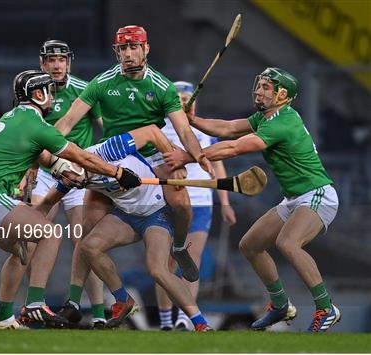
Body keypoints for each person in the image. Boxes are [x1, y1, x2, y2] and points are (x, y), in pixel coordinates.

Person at [0, 70, 141, 329]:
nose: (52, 97)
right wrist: (118, 173)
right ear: (38, 94)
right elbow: (82, 157)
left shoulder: (13, 117)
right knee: (51, 234)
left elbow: (40, 155)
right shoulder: (37, 125)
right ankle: (34, 304)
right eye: (48, 91)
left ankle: (3, 316)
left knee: (25, 248)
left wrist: (60, 173)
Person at [53, 25, 214, 322]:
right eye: (123, 48)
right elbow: (67, 121)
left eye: (133, 47)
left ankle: (179, 246)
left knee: (180, 203)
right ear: (117, 51)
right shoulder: (102, 83)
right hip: (116, 155)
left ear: (146, 49)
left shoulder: (162, 86)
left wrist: (197, 155)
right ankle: (75, 304)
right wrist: (40, 149)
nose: (128, 54)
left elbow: (182, 130)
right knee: (86, 231)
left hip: (152, 154)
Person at [163, 67, 340, 332]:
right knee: (250, 245)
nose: (259, 90)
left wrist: (189, 156)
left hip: (317, 194)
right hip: (293, 198)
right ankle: (280, 305)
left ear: (282, 95)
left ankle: (326, 308)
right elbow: (229, 128)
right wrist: (194, 120)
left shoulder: (282, 122)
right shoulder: (265, 117)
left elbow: (234, 147)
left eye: (267, 87)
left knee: (288, 243)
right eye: (260, 85)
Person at [36, 125, 206, 329]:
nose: (68, 181)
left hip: (157, 212)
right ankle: (123, 300)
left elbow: (152, 131)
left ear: (75, 161)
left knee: (158, 270)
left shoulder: (108, 150)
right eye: (61, 177)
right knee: (89, 246)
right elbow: (46, 203)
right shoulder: (72, 178)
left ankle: (200, 323)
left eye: (67, 174)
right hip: (126, 214)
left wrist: (176, 164)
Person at [0, 40, 107, 330]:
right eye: (51, 60)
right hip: (44, 171)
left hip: (78, 169)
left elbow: (104, 126)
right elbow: (24, 135)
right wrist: (28, 170)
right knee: (33, 236)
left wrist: (100, 161)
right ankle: (32, 305)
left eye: (61, 60)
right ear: (42, 63)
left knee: (83, 240)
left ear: (69, 62)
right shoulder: (32, 89)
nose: (57, 65)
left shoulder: (84, 88)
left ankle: (97, 313)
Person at [155, 81, 237, 332]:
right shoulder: (161, 128)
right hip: (171, 202)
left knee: (192, 261)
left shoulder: (203, 130)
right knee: (165, 263)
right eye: (178, 98)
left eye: (186, 98)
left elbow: (218, 163)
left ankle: (185, 316)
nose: (182, 102)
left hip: (201, 202)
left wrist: (224, 201)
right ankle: (166, 320)